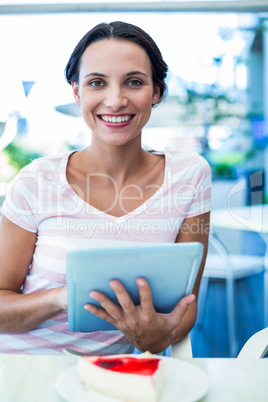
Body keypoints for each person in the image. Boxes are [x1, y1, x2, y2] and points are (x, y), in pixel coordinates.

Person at [0, 21, 211, 355]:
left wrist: (158, 337)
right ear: (77, 92)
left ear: (156, 91)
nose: (115, 100)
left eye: (134, 82)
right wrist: (60, 297)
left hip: (115, 378)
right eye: (97, 83)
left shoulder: (190, 176)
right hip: (24, 370)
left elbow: (186, 307)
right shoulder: (36, 181)